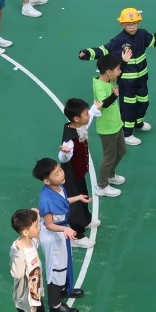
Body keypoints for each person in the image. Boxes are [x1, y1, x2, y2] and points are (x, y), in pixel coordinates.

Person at [78, 8, 156, 143]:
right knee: (128, 106)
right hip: (127, 83)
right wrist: (86, 53)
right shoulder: (118, 40)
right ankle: (127, 134)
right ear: (122, 24)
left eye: (134, 23)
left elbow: (154, 41)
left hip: (142, 79)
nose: (132, 26)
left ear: (138, 23)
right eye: (128, 24)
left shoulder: (143, 34)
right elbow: (104, 50)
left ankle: (138, 123)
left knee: (143, 102)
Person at [34, 157, 88, 312]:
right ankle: (55, 306)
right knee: (56, 269)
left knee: (63, 263)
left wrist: (78, 197)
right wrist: (65, 230)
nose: (61, 174)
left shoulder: (58, 187)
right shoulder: (46, 199)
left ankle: (63, 289)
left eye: (60, 170)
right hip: (53, 236)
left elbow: (64, 201)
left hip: (61, 231)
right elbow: (49, 224)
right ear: (46, 181)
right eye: (56, 173)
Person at [10, 207, 54, 312]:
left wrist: (38, 216)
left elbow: (36, 234)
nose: (39, 227)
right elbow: (17, 273)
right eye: (36, 226)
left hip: (36, 293)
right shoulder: (18, 249)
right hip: (26, 298)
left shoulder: (32, 242)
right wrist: (19, 254)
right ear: (26, 232)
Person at [58, 98, 102, 247]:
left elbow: (87, 122)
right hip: (70, 175)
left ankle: (86, 219)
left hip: (78, 171)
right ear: (77, 118)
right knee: (75, 202)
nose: (88, 116)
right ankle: (76, 235)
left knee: (83, 194)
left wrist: (94, 109)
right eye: (86, 114)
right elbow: (63, 158)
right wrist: (64, 152)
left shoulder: (79, 126)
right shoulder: (70, 139)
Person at [92, 51, 131, 197]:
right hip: (107, 129)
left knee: (121, 151)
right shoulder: (99, 86)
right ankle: (102, 186)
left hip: (116, 124)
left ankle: (109, 175)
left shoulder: (108, 80)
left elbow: (117, 76)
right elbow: (104, 104)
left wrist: (124, 62)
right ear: (109, 72)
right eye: (118, 69)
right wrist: (114, 96)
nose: (120, 72)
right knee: (109, 158)